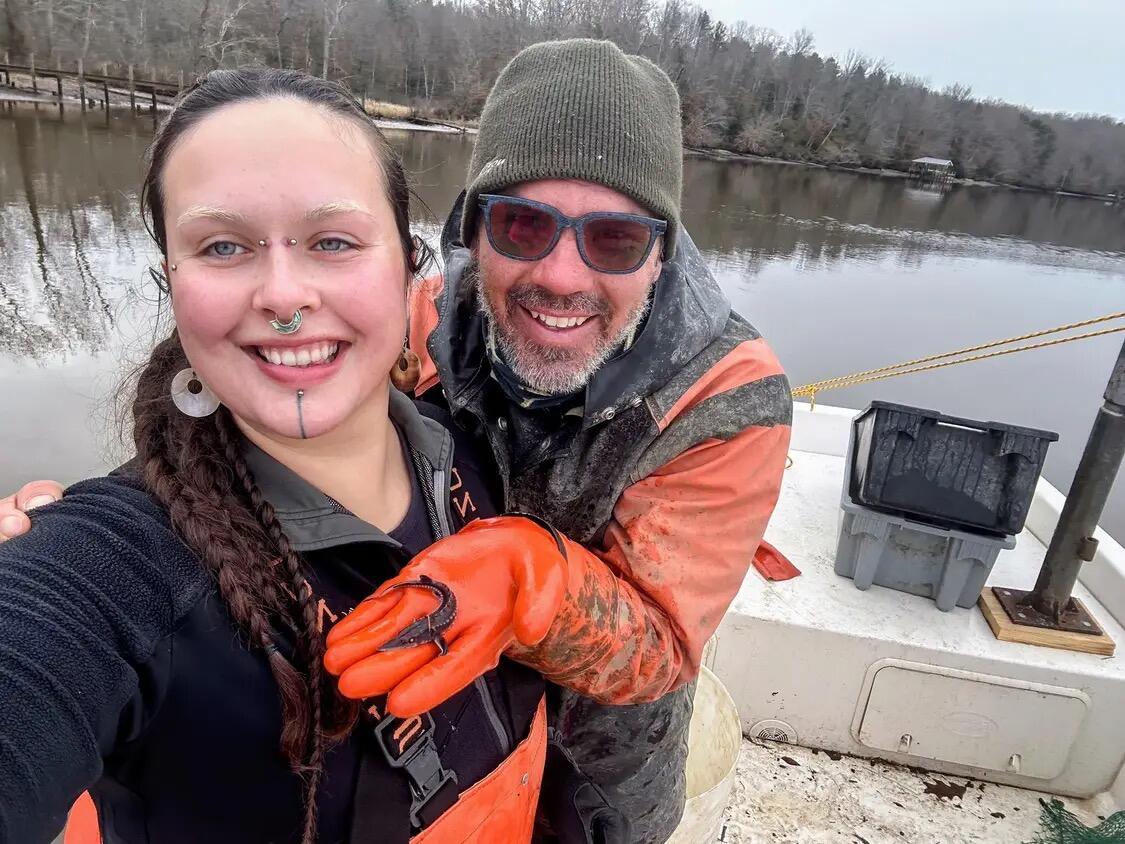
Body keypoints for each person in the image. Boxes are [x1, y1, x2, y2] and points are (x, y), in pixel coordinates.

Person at [4, 39, 793, 844]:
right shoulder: (422, 317)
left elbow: (661, 644)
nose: (560, 275)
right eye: (522, 225)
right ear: (464, 233)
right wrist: (66, 535)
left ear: (659, 251)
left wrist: (530, 583)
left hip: (598, 760)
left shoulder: (725, 397)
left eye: (614, 240)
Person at [0, 68, 551, 844]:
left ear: (409, 268)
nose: (283, 297)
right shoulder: (117, 567)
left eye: (333, 241)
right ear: (172, 281)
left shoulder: (481, 457)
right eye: (223, 245)